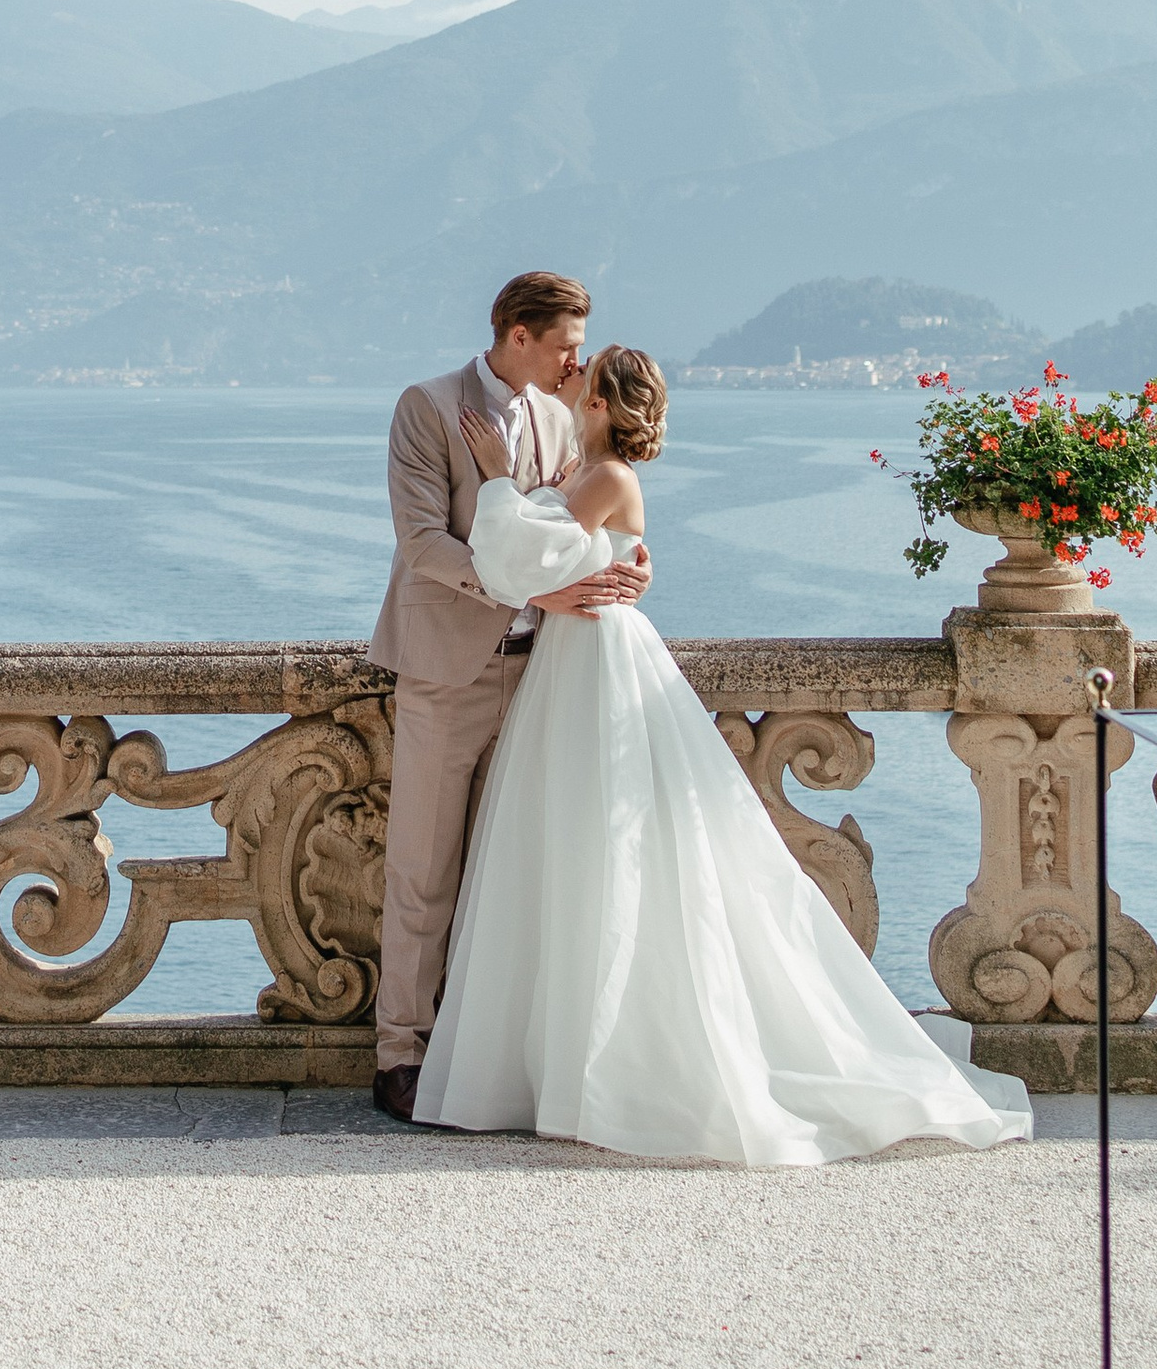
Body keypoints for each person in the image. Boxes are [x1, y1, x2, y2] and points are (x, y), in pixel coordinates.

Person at [415, 343, 1034, 1166]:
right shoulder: (581, 468)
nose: (570, 377)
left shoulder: (603, 478)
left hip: (596, 662)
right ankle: (561, 1064)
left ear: (599, 402)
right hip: (575, 655)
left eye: (582, 374)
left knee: (605, 842)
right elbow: (549, 559)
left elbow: (511, 559)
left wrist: (495, 480)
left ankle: (605, 1064)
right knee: (567, 846)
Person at [367, 271, 648, 1122]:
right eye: (565, 344)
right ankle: (399, 1055)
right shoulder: (428, 405)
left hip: (540, 675)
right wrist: (529, 594)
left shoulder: (563, 419)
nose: (577, 360)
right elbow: (422, 542)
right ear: (517, 334)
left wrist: (619, 568)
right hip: (444, 672)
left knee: (507, 873)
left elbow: (577, 532)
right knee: (423, 868)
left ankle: (480, 1054)